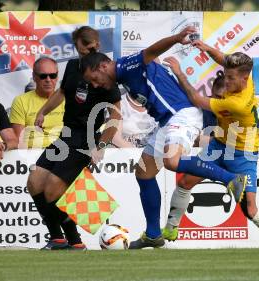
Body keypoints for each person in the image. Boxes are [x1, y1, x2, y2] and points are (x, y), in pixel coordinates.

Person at [80, 27, 248, 249]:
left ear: (103, 66)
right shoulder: (122, 76)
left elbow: (150, 51)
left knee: (171, 161)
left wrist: (177, 39)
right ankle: (153, 234)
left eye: (95, 79)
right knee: (143, 172)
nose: (95, 84)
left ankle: (230, 178)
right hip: (166, 122)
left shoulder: (124, 65)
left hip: (182, 114)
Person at [161, 41, 259, 248]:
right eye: (226, 75)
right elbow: (225, 61)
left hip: (244, 154)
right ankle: (171, 226)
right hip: (219, 145)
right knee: (185, 182)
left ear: (244, 78)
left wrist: (179, 72)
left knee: (250, 209)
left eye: (231, 78)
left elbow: (195, 98)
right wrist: (207, 48)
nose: (227, 80)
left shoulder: (235, 104)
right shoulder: (245, 80)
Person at [27, 26, 122, 250]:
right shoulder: (72, 66)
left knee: (52, 189)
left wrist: (101, 146)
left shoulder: (106, 74)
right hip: (66, 135)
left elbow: (116, 117)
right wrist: (43, 111)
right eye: (83, 48)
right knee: (34, 182)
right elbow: (62, 93)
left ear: (98, 45)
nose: (88, 52)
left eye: (92, 47)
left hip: (86, 139)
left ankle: (75, 242)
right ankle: (58, 238)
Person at [10, 57, 65, 148]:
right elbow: (18, 140)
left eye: (52, 76)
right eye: (43, 76)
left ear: (57, 77)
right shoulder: (20, 101)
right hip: (31, 157)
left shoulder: (68, 99)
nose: (48, 80)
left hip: (63, 154)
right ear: (34, 77)